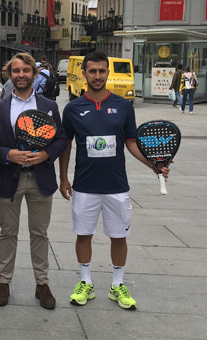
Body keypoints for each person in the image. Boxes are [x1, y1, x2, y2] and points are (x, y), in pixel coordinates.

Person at [59, 51, 170, 310]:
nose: (97, 76)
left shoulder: (123, 106)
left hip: (117, 186)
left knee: (119, 236)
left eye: (101, 71)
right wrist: (63, 178)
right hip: (84, 186)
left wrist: (155, 166)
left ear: (108, 72)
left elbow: (131, 143)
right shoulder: (73, 108)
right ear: (84, 73)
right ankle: (85, 282)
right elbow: (65, 145)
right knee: (83, 234)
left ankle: (117, 285)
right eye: (92, 71)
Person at [0, 52, 67, 309]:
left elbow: (61, 139)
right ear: (9, 75)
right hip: (9, 178)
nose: (21, 75)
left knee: (39, 233)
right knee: (7, 232)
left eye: (26, 71)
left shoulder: (48, 107)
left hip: (40, 178)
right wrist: (7, 154)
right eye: (16, 71)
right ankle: (3, 283)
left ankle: (42, 284)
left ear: (34, 73)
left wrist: (46, 154)